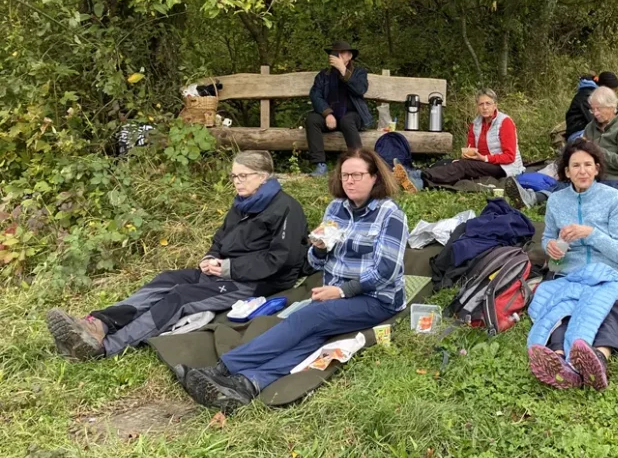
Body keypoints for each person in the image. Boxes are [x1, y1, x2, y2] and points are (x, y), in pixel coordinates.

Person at [179, 148, 408, 412]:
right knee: (313, 335)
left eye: (357, 174)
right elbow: (315, 262)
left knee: (307, 318)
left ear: (375, 178)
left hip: (376, 298)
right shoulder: (336, 209)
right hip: (334, 293)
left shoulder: (390, 215)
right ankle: (248, 384)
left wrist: (341, 291)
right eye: (345, 175)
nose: (350, 181)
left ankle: (225, 367)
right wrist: (320, 248)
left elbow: (386, 271)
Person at [46, 151, 309, 361]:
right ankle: (97, 325)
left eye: (243, 176)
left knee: (181, 297)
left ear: (263, 177)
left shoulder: (286, 208)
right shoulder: (242, 203)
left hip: (254, 283)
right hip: (221, 271)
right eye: (233, 176)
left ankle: (107, 347)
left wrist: (228, 268)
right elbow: (221, 237)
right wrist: (210, 256)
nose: (237, 182)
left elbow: (281, 260)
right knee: (166, 279)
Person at [526, 140, 618, 391]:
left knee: (607, 308)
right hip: (569, 272)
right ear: (567, 172)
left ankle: (597, 359)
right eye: (576, 165)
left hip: (610, 273)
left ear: (597, 169)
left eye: (588, 164)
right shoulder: (556, 201)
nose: (582, 171)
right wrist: (550, 247)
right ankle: (558, 362)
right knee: (557, 309)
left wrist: (591, 233)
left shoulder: (615, 200)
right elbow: (547, 239)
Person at [505, 86, 618, 209]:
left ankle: (556, 203)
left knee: (592, 189)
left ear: (611, 107)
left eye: (599, 109)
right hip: (591, 174)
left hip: (616, 178)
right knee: (565, 183)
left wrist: (594, 149)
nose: (595, 113)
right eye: (592, 109)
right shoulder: (591, 127)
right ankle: (532, 198)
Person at [412, 89, 524, 188]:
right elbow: (471, 149)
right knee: (446, 163)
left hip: (504, 166)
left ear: (495, 105)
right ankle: (420, 183)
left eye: (488, 104)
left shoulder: (505, 122)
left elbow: (509, 157)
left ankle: (419, 175)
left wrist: (485, 158)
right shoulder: (475, 123)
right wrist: (466, 156)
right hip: (482, 162)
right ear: (477, 107)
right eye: (481, 104)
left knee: (463, 166)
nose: (484, 107)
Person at [305, 40, 374, 176]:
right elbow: (315, 96)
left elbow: (360, 90)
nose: (336, 56)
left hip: (353, 116)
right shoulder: (323, 75)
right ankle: (320, 165)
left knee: (346, 121)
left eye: (341, 53)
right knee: (312, 119)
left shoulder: (359, 73)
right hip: (331, 117)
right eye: (334, 53)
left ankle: (358, 164)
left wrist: (343, 70)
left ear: (349, 56)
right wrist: (328, 114)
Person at [563, 71, 618, 142]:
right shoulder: (587, 96)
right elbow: (596, 122)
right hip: (578, 134)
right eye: (613, 91)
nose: (614, 94)